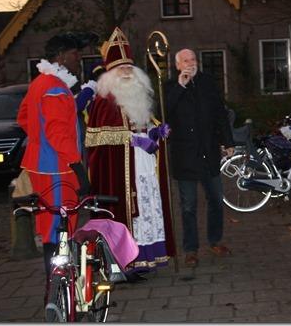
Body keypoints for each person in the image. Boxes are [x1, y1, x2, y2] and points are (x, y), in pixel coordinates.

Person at [86, 28, 175, 275]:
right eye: (120, 69)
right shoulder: (104, 101)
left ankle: (148, 257)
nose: (126, 73)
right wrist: (134, 141)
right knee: (130, 214)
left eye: (129, 68)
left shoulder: (139, 95)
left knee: (148, 210)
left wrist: (157, 132)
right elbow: (96, 137)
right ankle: (126, 262)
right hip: (122, 170)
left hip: (144, 167)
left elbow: (146, 126)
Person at [17, 32, 91, 280]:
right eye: (73, 53)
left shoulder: (39, 82)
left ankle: (56, 287)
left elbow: (24, 118)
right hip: (58, 169)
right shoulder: (56, 89)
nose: (77, 58)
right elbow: (59, 133)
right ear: (60, 56)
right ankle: (60, 285)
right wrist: (78, 167)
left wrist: (40, 143)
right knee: (62, 227)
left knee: (49, 227)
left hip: (41, 166)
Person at [166, 48, 234, 268]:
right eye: (185, 60)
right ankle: (190, 249)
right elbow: (163, 112)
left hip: (208, 152)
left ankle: (214, 240)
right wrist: (180, 86)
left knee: (215, 199)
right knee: (188, 205)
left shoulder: (207, 82)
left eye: (193, 59)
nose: (190, 63)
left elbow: (220, 114)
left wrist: (228, 141)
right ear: (177, 65)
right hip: (184, 156)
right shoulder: (170, 86)